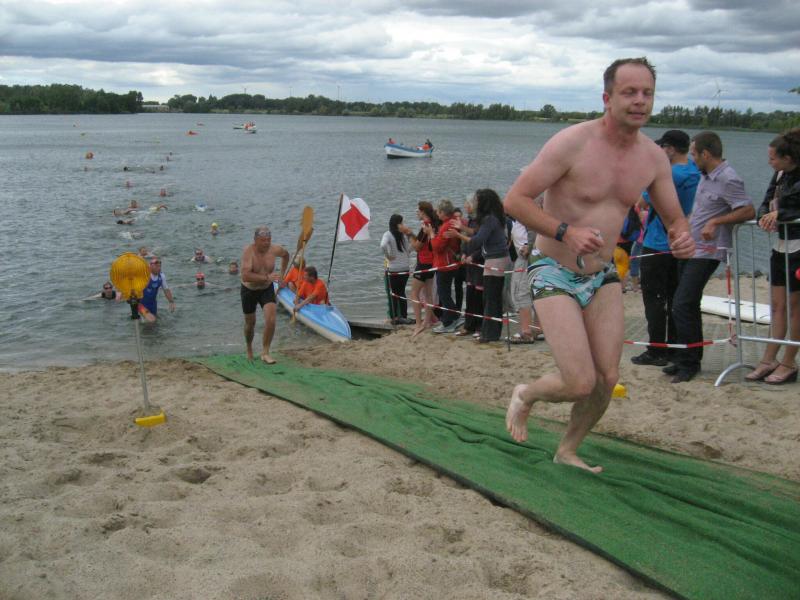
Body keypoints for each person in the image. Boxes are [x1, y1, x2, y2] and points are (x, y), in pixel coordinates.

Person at [502, 57, 695, 473]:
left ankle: (568, 449)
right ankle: (525, 394)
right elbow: (514, 200)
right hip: (553, 268)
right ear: (607, 98)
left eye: (647, 93)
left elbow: (675, 218)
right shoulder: (571, 143)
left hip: (602, 273)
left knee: (607, 378)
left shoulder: (653, 158)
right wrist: (565, 231)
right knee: (579, 381)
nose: (640, 101)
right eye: (630, 92)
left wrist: (682, 235)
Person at [666, 131, 755, 383]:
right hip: (691, 247)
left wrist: (716, 222)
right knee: (684, 303)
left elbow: (748, 210)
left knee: (683, 303)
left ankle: (689, 363)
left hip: (708, 251)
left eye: (694, 154)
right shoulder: (705, 177)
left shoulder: (729, 178)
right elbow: (700, 211)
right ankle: (685, 358)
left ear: (706, 154)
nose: (692, 159)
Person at [632, 129, 700, 367]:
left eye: (662, 147)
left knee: (653, 298)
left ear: (670, 149)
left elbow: (641, 202)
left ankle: (656, 349)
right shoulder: (694, 171)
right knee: (674, 298)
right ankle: (673, 346)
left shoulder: (668, 174)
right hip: (681, 243)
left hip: (658, 242)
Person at [746, 128, 800, 384]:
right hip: (781, 244)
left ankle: (789, 361)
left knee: (795, 307)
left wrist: (782, 213)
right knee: (777, 305)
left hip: (799, 246)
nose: (770, 162)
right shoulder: (779, 175)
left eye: (773, 158)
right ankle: (769, 358)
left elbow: (792, 205)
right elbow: (767, 201)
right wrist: (764, 216)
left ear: (788, 158)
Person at [448, 189, 510, 342]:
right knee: (491, 297)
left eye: (476, 200)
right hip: (494, 258)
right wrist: (463, 231)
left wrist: (458, 235)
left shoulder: (490, 219)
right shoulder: (492, 217)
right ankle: (490, 333)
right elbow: (476, 233)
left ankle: (489, 333)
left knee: (491, 297)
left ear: (483, 203)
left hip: (495, 259)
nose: (474, 203)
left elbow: (477, 240)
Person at [240, 225, 289, 364]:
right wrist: (267, 277)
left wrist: (282, 275)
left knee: (271, 319)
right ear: (255, 240)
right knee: (250, 323)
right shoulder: (248, 252)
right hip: (249, 289)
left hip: (266, 288)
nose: (266, 243)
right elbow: (245, 276)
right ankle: (249, 348)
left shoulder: (274, 249)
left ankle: (265, 352)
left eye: (268, 240)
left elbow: (286, 255)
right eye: (263, 240)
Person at [430, 199, 462, 333]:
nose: (437, 214)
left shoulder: (446, 225)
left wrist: (431, 235)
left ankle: (449, 320)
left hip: (445, 264)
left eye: (438, 212)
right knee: (445, 292)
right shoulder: (452, 222)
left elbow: (437, 247)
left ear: (443, 212)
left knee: (444, 293)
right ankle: (454, 316)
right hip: (450, 263)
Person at [410, 201, 440, 336]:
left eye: (418, 211)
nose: (417, 213)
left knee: (414, 293)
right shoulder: (434, 224)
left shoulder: (426, 226)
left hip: (423, 262)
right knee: (428, 293)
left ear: (423, 212)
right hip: (432, 262)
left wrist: (409, 235)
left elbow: (417, 247)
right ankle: (427, 321)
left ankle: (418, 324)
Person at [381, 214, 414, 325]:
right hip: (405, 268)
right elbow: (410, 248)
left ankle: (395, 317)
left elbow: (383, 245)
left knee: (394, 294)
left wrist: (388, 256)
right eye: (401, 223)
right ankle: (404, 316)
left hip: (394, 269)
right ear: (397, 224)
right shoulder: (404, 235)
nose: (403, 225)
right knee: (402, 292)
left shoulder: (388, 234)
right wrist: (407, 254)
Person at [138, 257, 175, 322]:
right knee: (151, 320)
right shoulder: (144, 275)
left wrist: (171, 302)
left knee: (155, 323)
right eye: (156, 266)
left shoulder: (161, 276)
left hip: (153, 304)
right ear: (150, 266)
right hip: (140, 304)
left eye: (160, 266)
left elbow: (166, 290)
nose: (159, 268)